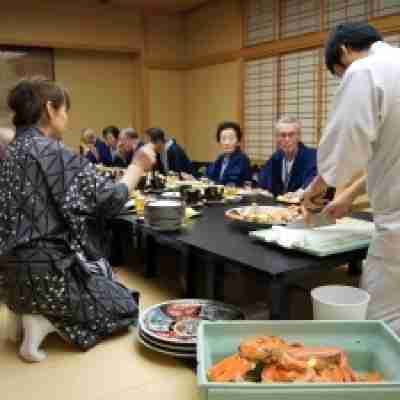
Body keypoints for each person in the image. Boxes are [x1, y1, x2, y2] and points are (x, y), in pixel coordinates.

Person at [0, 77, 156, 362]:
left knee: (96, 276)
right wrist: (138, 165)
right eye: (65, 110)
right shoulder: (48, 149)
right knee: (123, 305)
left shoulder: (12, 151)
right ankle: (44, 321)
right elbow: (108, 201)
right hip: (46, 274)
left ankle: (21, 314)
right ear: (50, 108)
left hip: (9, 275)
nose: (66, 117)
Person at [302, 23, 400, 334]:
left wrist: (317, 186)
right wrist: (349, 194)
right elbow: (390, 155)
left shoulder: (364, 71)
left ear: (343, 50)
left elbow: (343, 150)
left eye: (339, 75)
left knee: (381, 317)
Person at [258, 116, 317, 197]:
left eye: (291, 135)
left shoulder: (312, 156)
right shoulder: (276, 157)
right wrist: (264, 190)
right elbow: (263, 181)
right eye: (282, 135)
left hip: (302, 205)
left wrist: (299, 193)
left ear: (299, 136)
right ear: (277, 138)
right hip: (279, 205)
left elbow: (313, 180)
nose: (287, 139)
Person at [206, 121, 252, 186]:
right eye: (223, 139)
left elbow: (232, 182)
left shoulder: (242, 159)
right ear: (219, 142)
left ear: (238, 142)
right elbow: (209, 177)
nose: (227, 143)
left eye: (231, 139)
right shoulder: (220, 158)